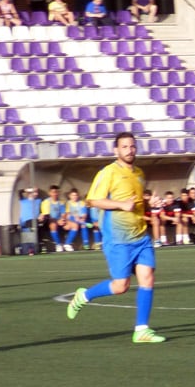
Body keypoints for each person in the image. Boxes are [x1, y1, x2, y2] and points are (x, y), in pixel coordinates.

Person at [67, 132, 167, 344]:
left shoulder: (139, 173)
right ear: (116, 150)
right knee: (121, 286)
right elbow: (93, 200)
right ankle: (84, 296)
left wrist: (151, 205)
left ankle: (141, 330)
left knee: (147, 277)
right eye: (124, 146)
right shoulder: (108, 173)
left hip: (140, 235)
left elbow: (137, 203)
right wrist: (121, 205)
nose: (129, 150)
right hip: (118, 239)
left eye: (132, 146)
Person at [17, 187, 42, 256]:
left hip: (33, 222)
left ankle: (32, 249)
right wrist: (28, 190)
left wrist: (42, 215)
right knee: (26, 235)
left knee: (31, 231)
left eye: (37, 192)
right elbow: (19, 192)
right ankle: (26, 249)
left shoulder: (38, 201)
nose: (36, 194)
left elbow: (42, 210)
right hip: (24, 222)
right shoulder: (23, 200)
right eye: (35, 192)